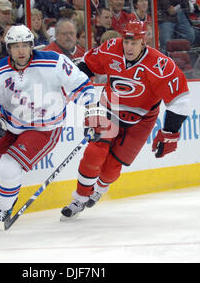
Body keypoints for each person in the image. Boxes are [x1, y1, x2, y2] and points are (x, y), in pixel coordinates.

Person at [0, 24, 96, 229]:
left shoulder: (54, 62)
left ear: (32, 46)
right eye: (15, 46)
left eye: (25, 45)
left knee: (8, 167)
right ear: (8, 48)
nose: (21, 51)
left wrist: (93, 112)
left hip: (44, 129)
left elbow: (82, 85)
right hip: (11, 123)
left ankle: (3, 210)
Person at [60, 20, 190, 220]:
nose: (128, 47)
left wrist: (170, 132)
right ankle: (79, 197)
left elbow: (180, 99)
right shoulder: (111, 48)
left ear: (143, 42)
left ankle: (100, 188)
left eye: (134, 43)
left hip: (142, 119)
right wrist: (68, 86)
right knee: (95, 151)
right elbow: (86, 65)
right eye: (126, 41)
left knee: (112, 167)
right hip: (109, 108)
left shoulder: (159, 64)